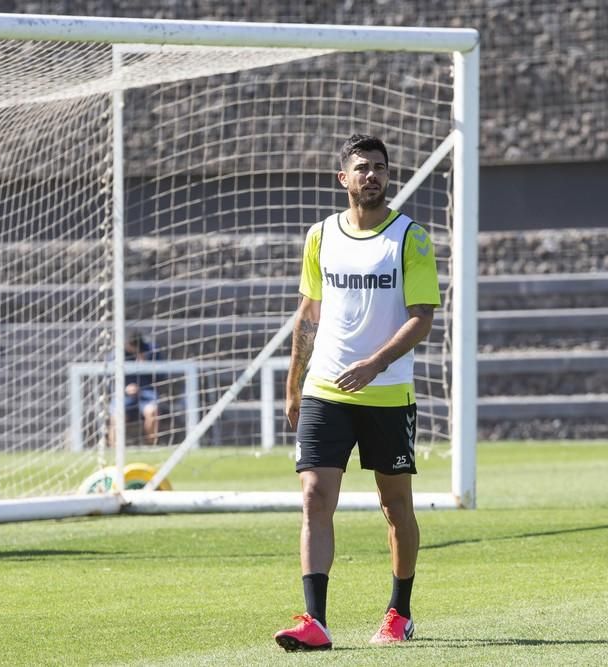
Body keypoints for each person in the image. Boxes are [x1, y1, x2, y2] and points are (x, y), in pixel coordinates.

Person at [274, 134, 441, 651]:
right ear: (343, 178)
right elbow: (309, 314)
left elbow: (423, 319)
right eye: (362, 168)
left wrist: (376, 363)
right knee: (314, 497)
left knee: (394, 507)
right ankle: (315, 621)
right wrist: (294, 383)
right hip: (326, 390)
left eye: (380, 168)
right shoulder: (320, 236)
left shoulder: (410, 238)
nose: (372, 175)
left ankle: (400, 611)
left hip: (387, 393)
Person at [107, 331, 161, 446]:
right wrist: (124, 388)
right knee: (117, 416)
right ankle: (114, 449)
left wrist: (146, 361)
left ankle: (152, 447)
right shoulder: (115, 355)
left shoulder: (151, 351)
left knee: (152, 412)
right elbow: (108, 379)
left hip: (146, 393)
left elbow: (162, 376)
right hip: (123, 394)